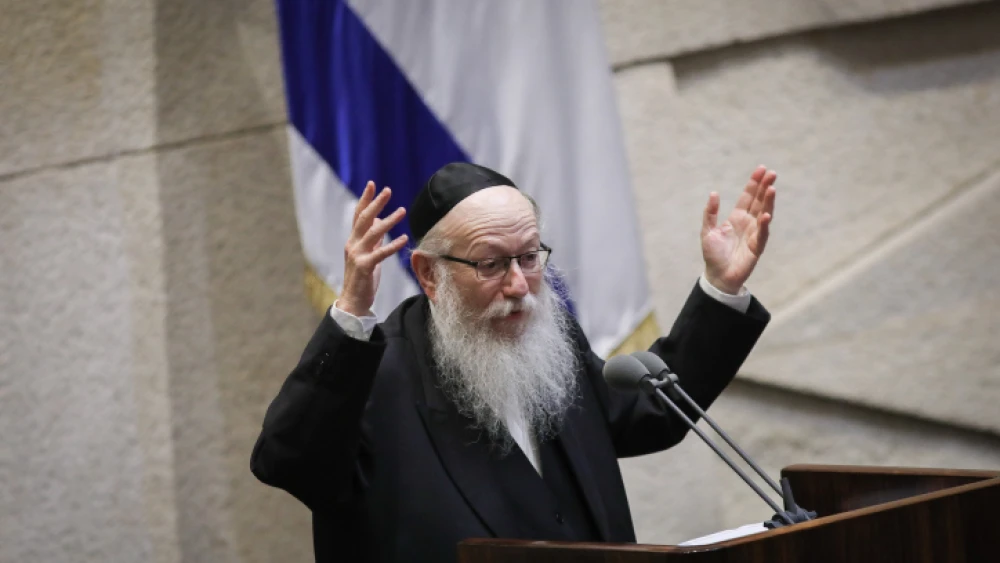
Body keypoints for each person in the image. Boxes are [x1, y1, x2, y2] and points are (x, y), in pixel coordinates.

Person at [251, 162, 778, 563]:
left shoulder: (549, 340)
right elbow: (289, 463)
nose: (519, 285)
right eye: (491, 264)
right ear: (429, 274)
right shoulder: (373, 373)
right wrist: (349, 315)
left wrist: (722, 289)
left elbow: (651, 411)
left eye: (529, 257)